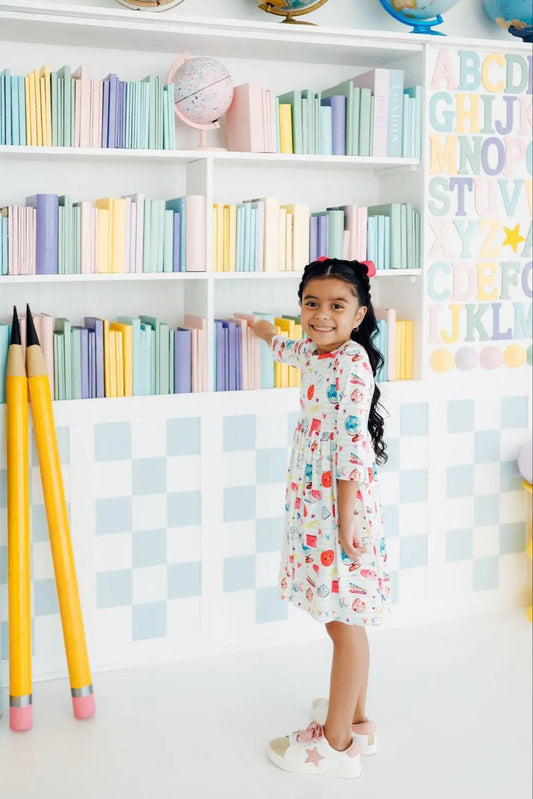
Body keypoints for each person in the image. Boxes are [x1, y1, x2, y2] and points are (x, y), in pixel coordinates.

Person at [248, 257, 391, 780]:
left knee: (342, 618)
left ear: (359, 314)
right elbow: (287, 348)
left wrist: (348, 518)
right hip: (318, 499)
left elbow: (353, 444)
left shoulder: (352, 362)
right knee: (344, 612)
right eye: (312, 304)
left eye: (337, 305)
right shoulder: (314, 350)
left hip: (338, 504)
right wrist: (263, 329)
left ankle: (336, 746)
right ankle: (356, 720)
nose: (322, 315)